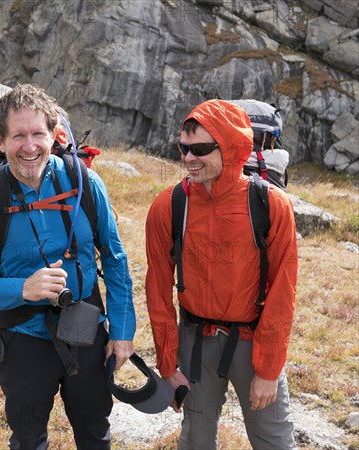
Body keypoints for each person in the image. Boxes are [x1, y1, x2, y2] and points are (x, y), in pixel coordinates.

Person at [0, 83, 136, 449]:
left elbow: (115, 258)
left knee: (95, 430)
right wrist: (22, 288)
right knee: (29, 437)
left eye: (38, 134)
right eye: (18, 136)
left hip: (85, 325)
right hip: (22, 335)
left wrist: (123, 330)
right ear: (0, 141)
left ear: (54, 135)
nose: (30, 147)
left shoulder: (85, 184)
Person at [145, 99, 298, 449]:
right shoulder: (168, 206)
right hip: (195, 343)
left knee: (274, 441)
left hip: (253, 343)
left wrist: (269, 370)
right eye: (183, 148)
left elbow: (283, 291)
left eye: (199, 149)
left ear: (230, 147)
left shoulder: (271, 205)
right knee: (196, 441)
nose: (188, 158)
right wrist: (168, 366)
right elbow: (157, 290)